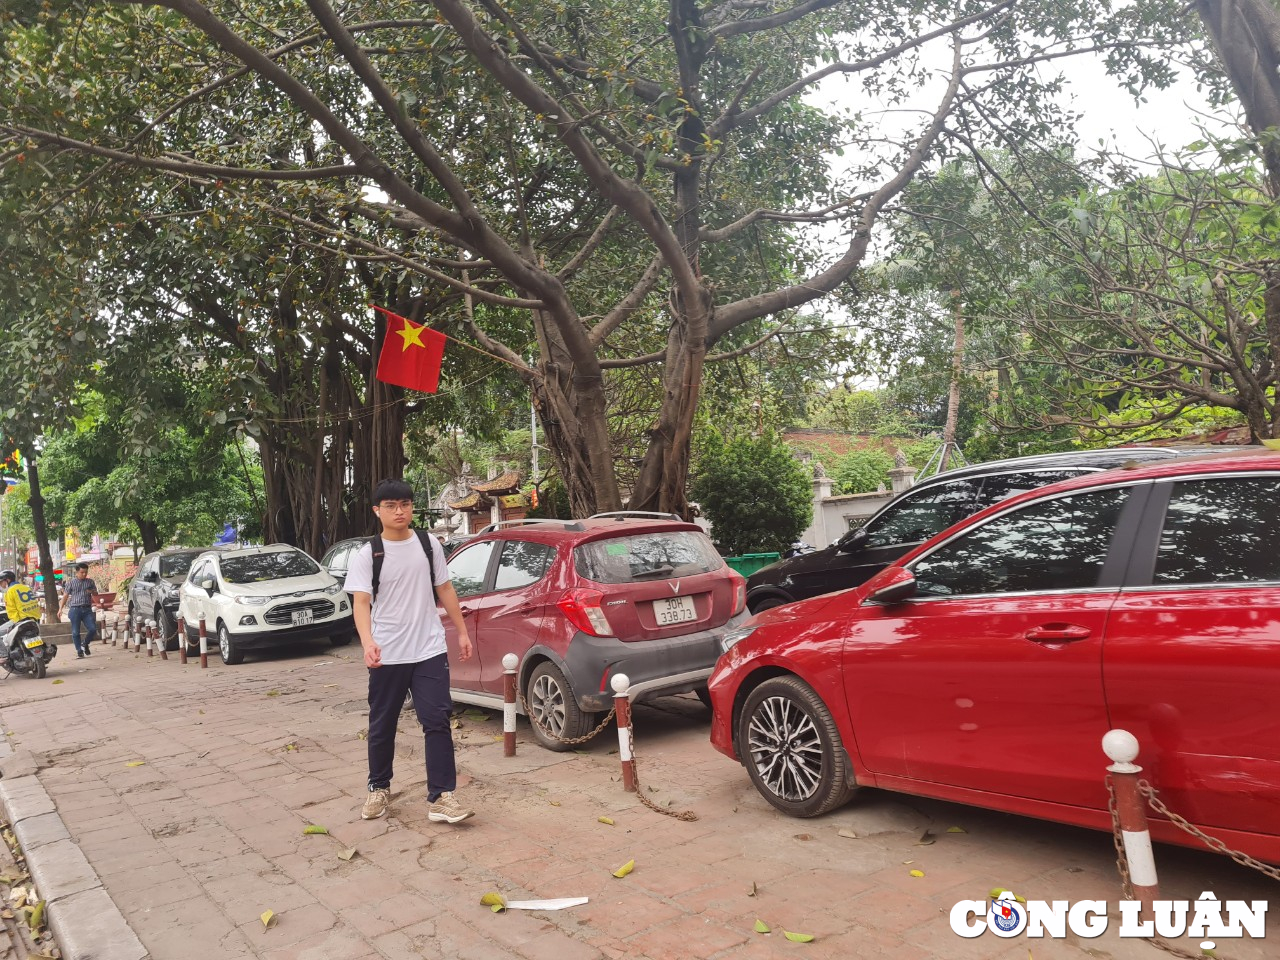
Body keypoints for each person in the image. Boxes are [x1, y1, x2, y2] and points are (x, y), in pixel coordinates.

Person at [344, 478, 476, 824]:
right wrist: (368, 642)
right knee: (382, 723)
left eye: (404, 504)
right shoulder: (368, 554)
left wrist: (461, 632)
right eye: (390, 506)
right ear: (378, 511)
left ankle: (442, 796)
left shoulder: (428, 544)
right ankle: (378, 786)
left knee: (437, 721)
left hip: (429, 649)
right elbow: (361, 602)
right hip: (388, 653)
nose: (399, 511)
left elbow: (444, 588)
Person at [59, 562, 98, 658]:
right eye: (82, 572)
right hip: (75, 609)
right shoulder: (71, 583)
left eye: (86, 572)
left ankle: (85, 643)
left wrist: (92, 591)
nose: (84, 574)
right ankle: (79, 650)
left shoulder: (90, 582)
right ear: (77, 572)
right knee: (76, 632)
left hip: (87, 609)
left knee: (93, 629)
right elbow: (65, 596)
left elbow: (96, 594)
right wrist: (60, 609)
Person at [0, 569, 42, 651]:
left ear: (7, 580)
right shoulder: (26, 588)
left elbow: (11, 611)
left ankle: (3, 656)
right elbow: (34, 604)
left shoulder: (9, 591)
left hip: (20, 620)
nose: (1, 585)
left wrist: (15, 623)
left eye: (1, 582)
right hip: (35, 619)